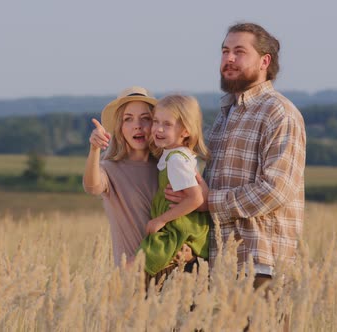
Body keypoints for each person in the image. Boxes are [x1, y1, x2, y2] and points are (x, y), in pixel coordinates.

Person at [166, 22, 306, 289]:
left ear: (265, 61)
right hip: (219, 263)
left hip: (260, 265)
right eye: (224, 51)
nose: (229, 59)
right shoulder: (226, 113)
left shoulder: (279, 113)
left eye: (239, 52)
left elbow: (275, 190)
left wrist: (210, 202)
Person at [83, 86, 159, 267]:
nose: (137, 125)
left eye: (145, 118)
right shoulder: (110, 169)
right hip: (129, 277)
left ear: (155, 124)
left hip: (171, 276)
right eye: (128, 119)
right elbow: (92, 186)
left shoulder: (167, 167)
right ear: (120, 127)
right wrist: (94, 150)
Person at [138, 95, 210, 279]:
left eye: (167, 124)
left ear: (185, 131)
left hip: (176, 230)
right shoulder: (174, 154)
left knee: (131, 268)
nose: (158, 129)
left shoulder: (176, 159)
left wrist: (160, 220)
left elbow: (196, 198)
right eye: (155, 121)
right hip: (177, 226)